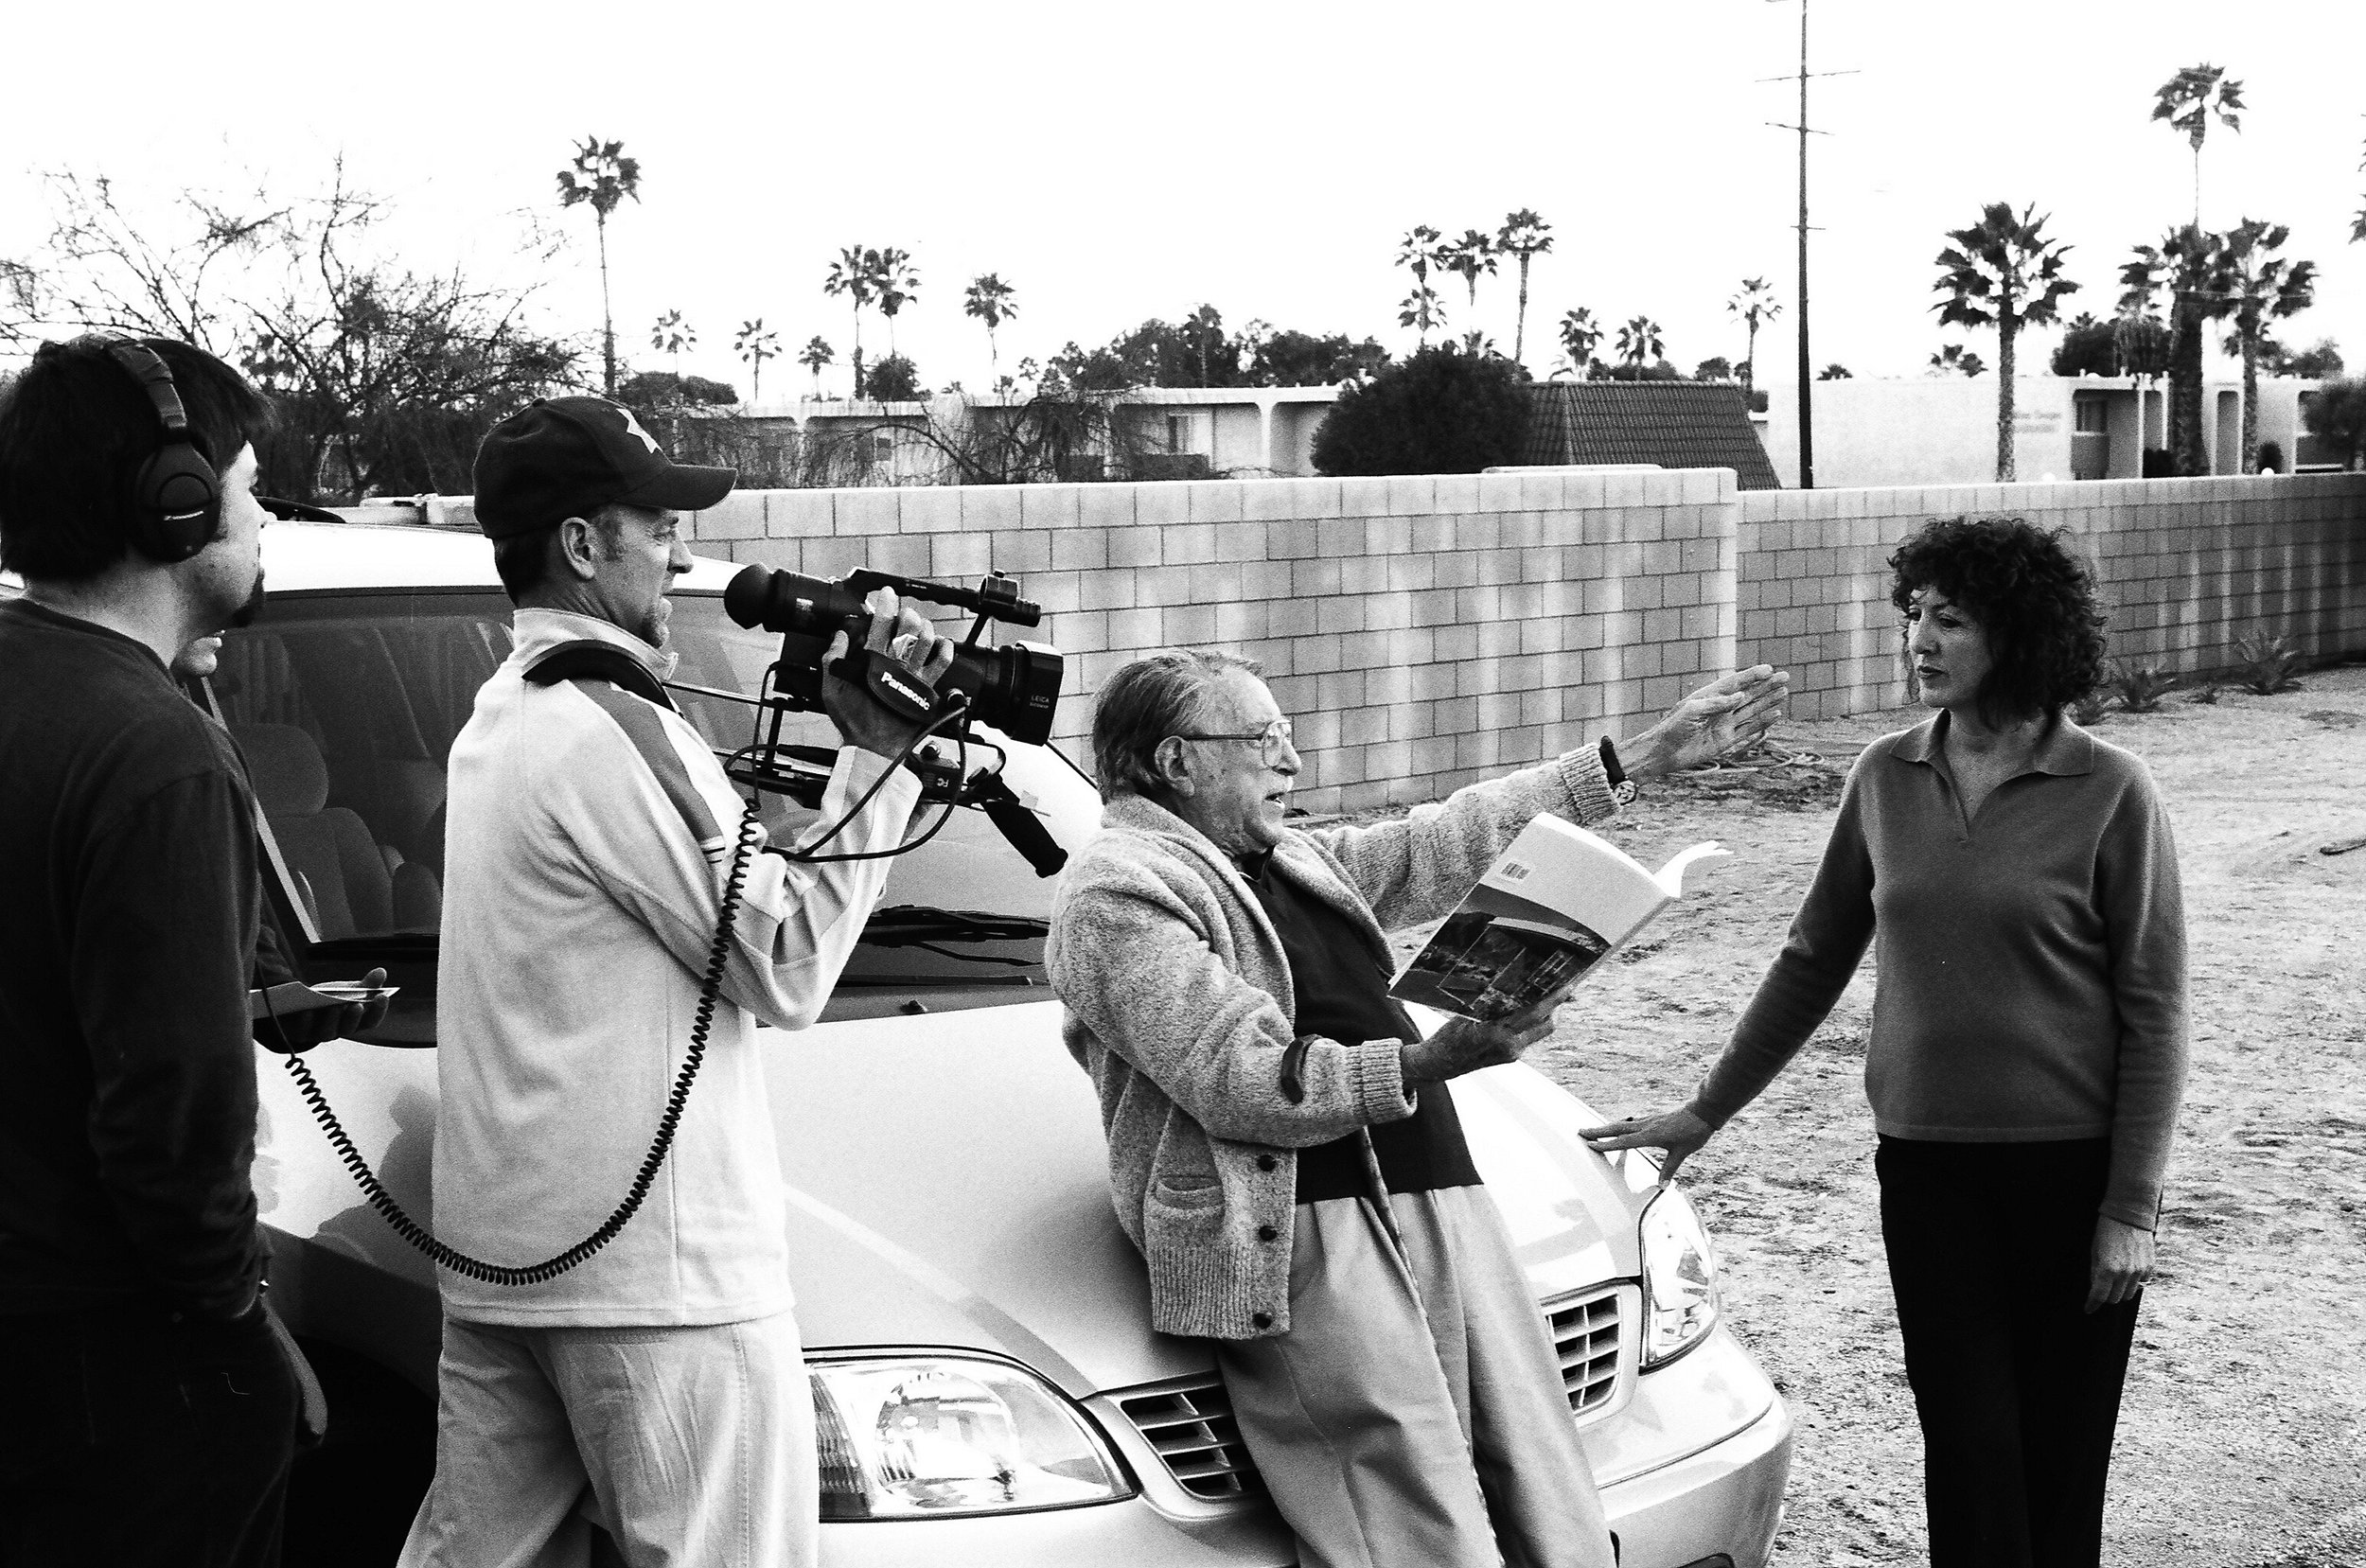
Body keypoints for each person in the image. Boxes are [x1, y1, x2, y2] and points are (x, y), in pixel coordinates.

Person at [1048, 649, 1787, 1568]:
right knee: (1411, 1529)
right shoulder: (1118, 888)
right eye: (1264, 738)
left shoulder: (1288, 854)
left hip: (1435, 1192)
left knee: (1542, 1493)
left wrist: (1631, 761)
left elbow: (1445, 840)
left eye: (1288, 737)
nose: (1290, 762)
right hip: (1302, 1236)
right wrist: (1434, 1056)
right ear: (1176, 762)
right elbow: (1239, 1077)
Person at [397, 396, 953, 1568]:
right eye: (657, 524)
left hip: (513, 1268)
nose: (683, 551)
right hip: (659, 1289)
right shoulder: (611, 722)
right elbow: (786, 965)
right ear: (582, 545)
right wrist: (881, 761)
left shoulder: (504, 716)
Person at [1584, 515, 2188, 1567]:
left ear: (2019, 634)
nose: (1917, 638)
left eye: (1947, 619)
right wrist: (1703, 1111)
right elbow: (1812, 958)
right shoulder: (1882, 775)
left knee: (2057, 1458)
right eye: (1912, 614)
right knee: (1967, 1447)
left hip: (2071, 1174)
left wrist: (2129, 1208)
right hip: (1928, 1173)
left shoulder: (2110, 791)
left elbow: (2155, 1009)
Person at [0, 335, 379, 1567]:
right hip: (120, 1367)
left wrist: (235, 998)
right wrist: (244, 1335)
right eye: (251, 484)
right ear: (173, 503)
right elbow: (167, 1137)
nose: (262, 515)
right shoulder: (153, 748)